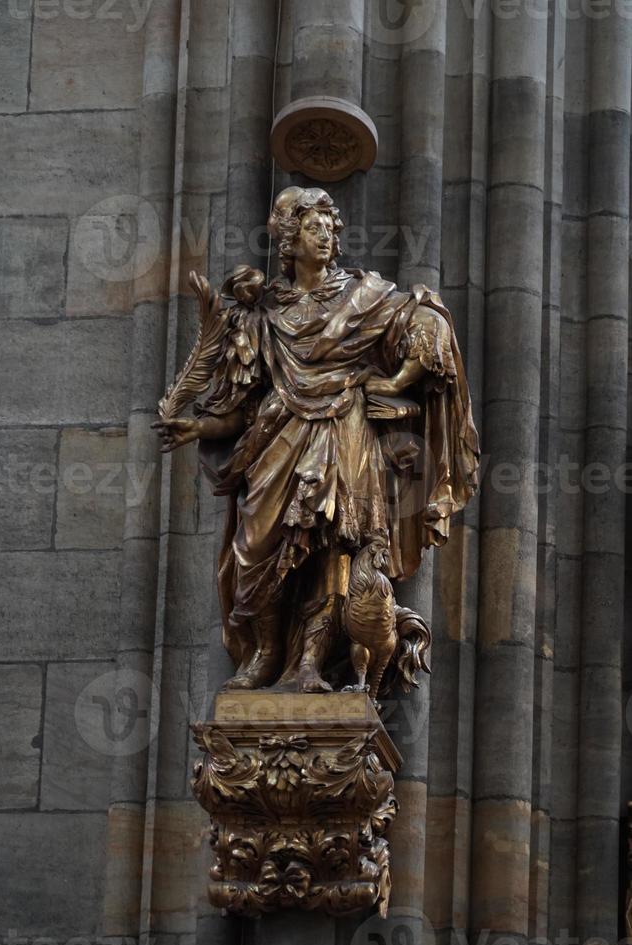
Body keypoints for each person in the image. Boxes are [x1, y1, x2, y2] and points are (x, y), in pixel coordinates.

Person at [154, 186, 479, 693]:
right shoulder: (266, 317)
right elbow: (238, 409)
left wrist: (394, 383)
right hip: (275, 435)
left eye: (331, 228)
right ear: (288, 239)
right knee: (254, 544)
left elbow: (426, 317)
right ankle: (266, 652)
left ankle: (309, 662)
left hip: (345, 427)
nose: (326, 237)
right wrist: (197, 426)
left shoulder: (362, 298)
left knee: (336, 545)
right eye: (313, 228)